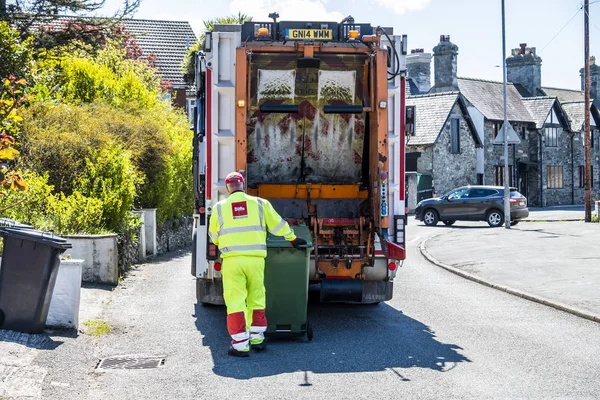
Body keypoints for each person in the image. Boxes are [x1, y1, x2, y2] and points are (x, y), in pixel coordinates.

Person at [208, 171, 307, 357]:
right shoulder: (261, 204)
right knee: (256, 297)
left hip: (232, 261)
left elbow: (213, 236)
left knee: (235, 300)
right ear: (243, 185)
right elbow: (278, 225)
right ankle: (257, 338)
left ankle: (240, 345)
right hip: (255, 261)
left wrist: (221, 243)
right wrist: (293, 239)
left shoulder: (220, 208)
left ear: (228, 188)